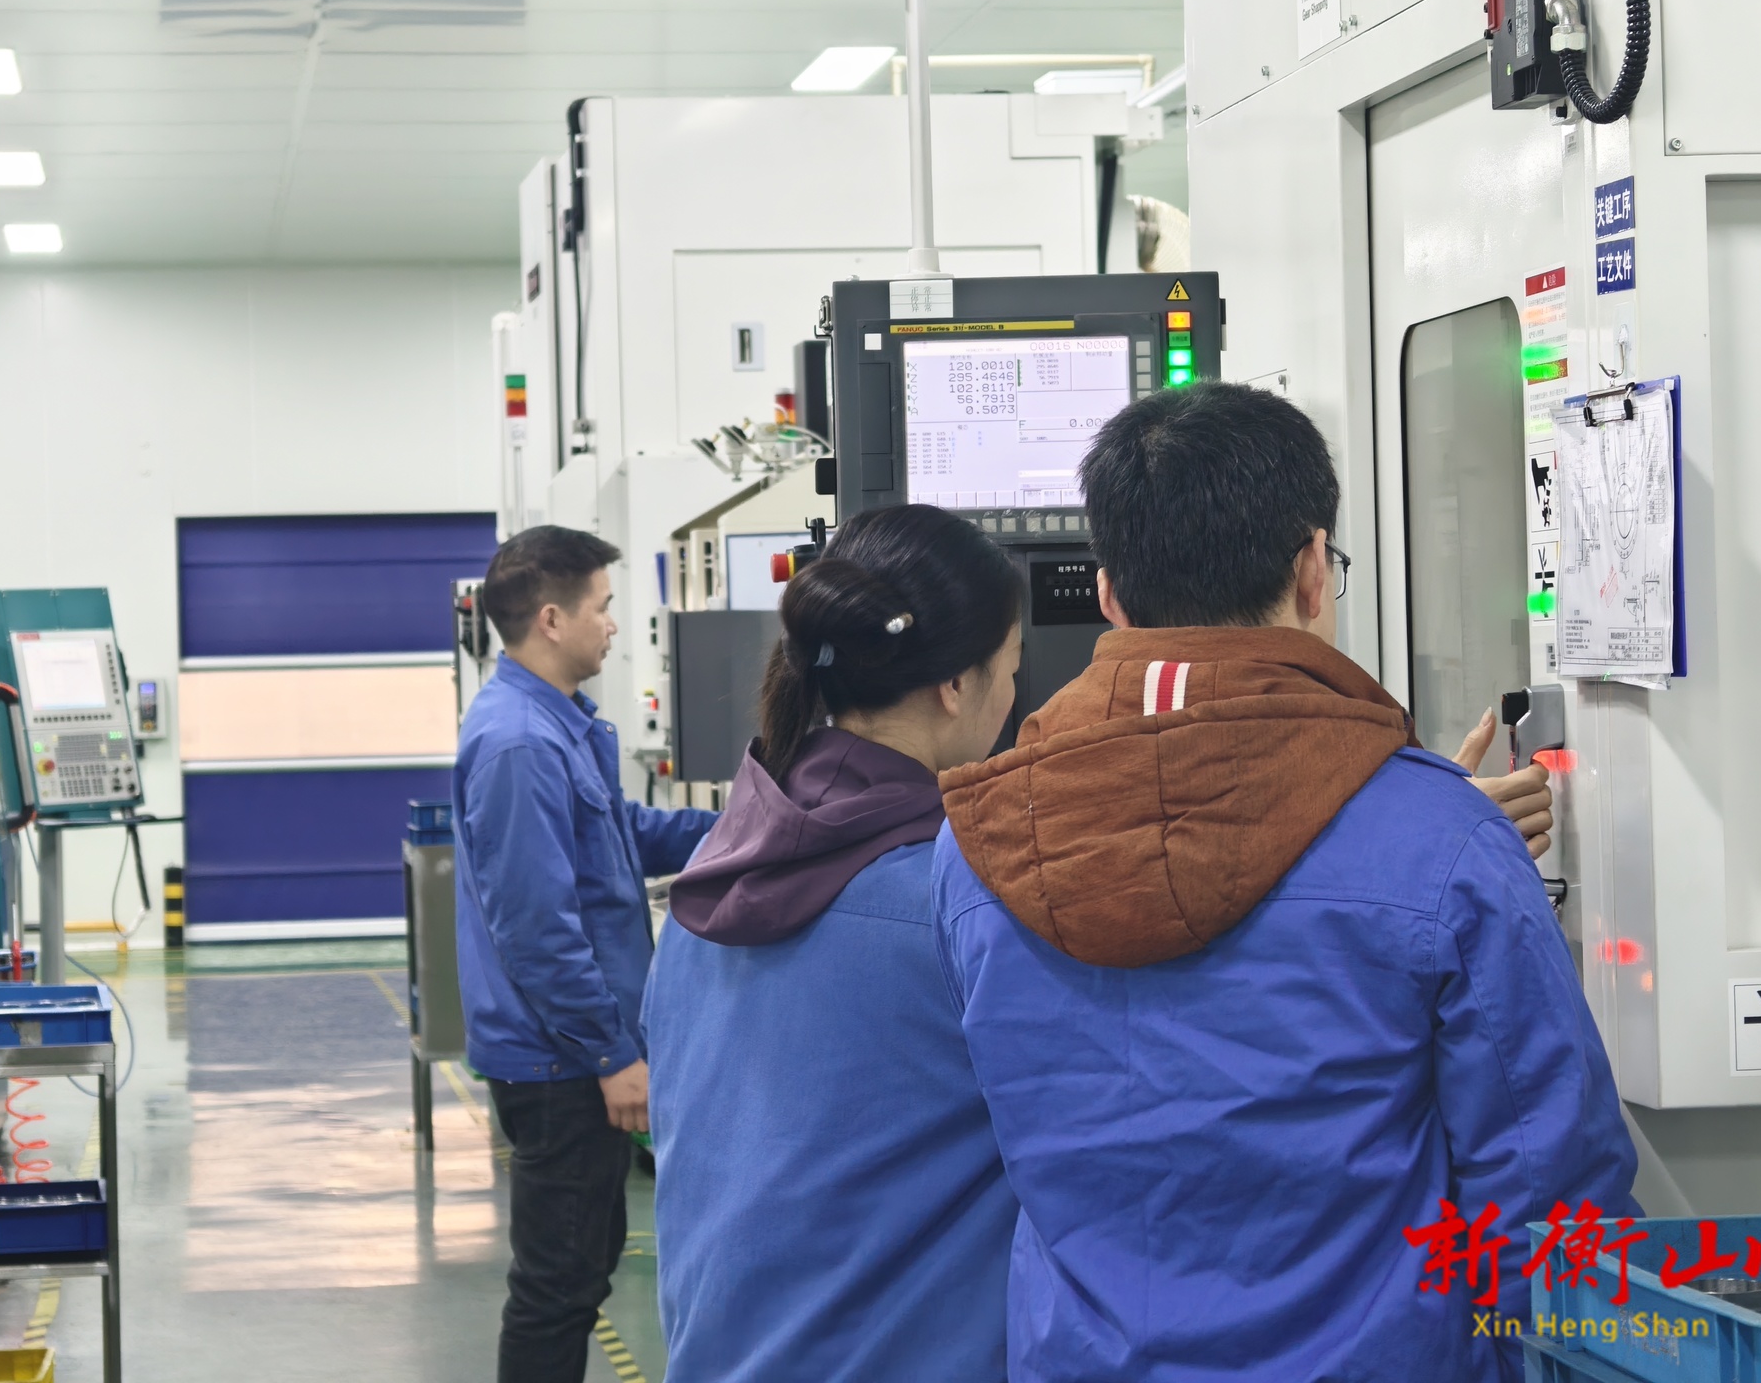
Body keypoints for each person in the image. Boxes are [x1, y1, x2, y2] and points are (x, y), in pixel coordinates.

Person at [932, 381, 1637, 1383]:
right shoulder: (1443, 841)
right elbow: (1547, 1199)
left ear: (1109, 593)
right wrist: (1440, 842)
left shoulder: (977, 845)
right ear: (1313, 568)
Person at [641, 505, 1023, 1383]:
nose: (1013, 697)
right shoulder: (959, 907)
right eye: (1011, 667)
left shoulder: (708, 880)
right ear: (955, 685)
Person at [453, 525, 716, 1383]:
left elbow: (621, 835)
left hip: (572, 1051)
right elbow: (537, 929)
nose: (613, 624)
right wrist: (611, 1054)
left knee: (582, 1264)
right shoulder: (520, 743)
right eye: (602, 607)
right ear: (552, 619)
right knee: (557, 1286)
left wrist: (741, 827)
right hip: (560, 1060)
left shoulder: (556, 723)